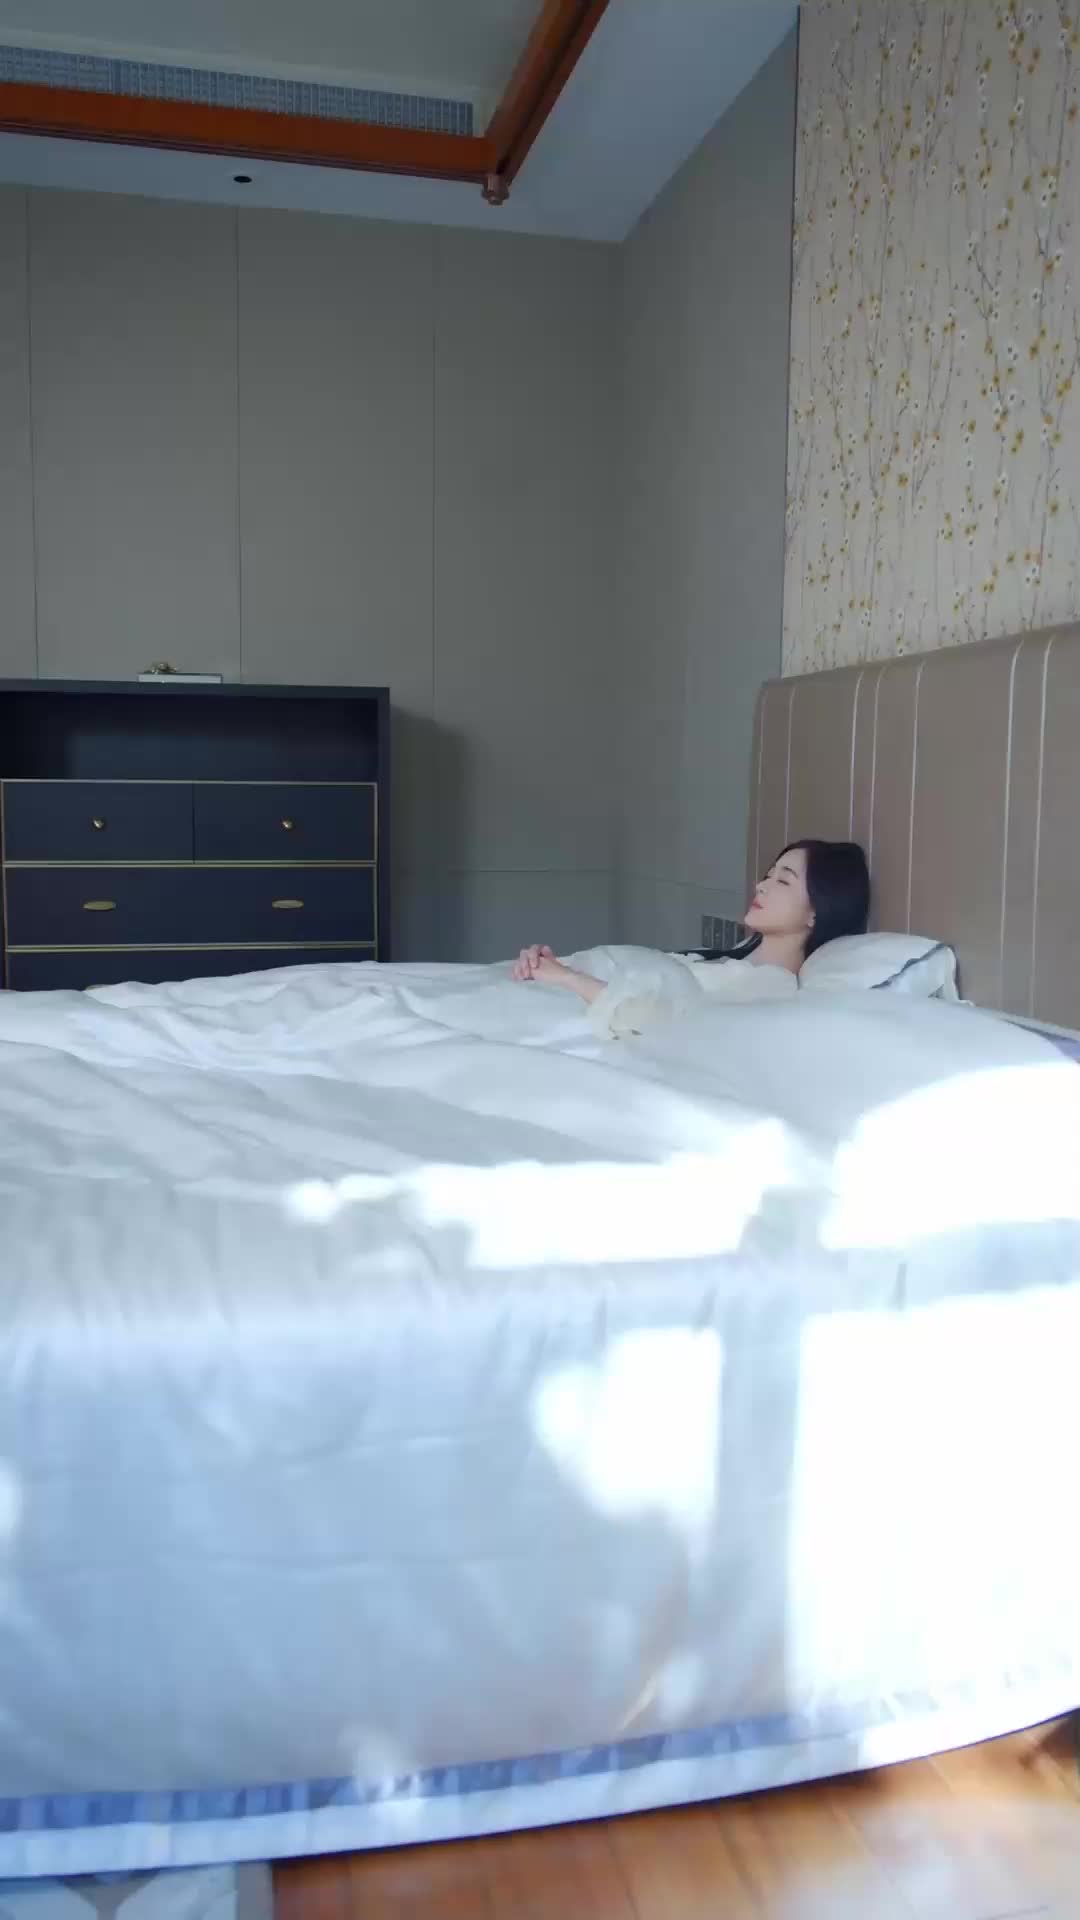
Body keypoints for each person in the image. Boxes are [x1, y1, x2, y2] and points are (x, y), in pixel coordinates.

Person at [512, 839, 871, 1039]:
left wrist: (567, 978)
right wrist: (552, 966)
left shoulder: (771, 987)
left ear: (817, 911)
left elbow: (660, 1023)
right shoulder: (731, 959)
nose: (761, 885)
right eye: (767, 874)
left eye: (783, 880)